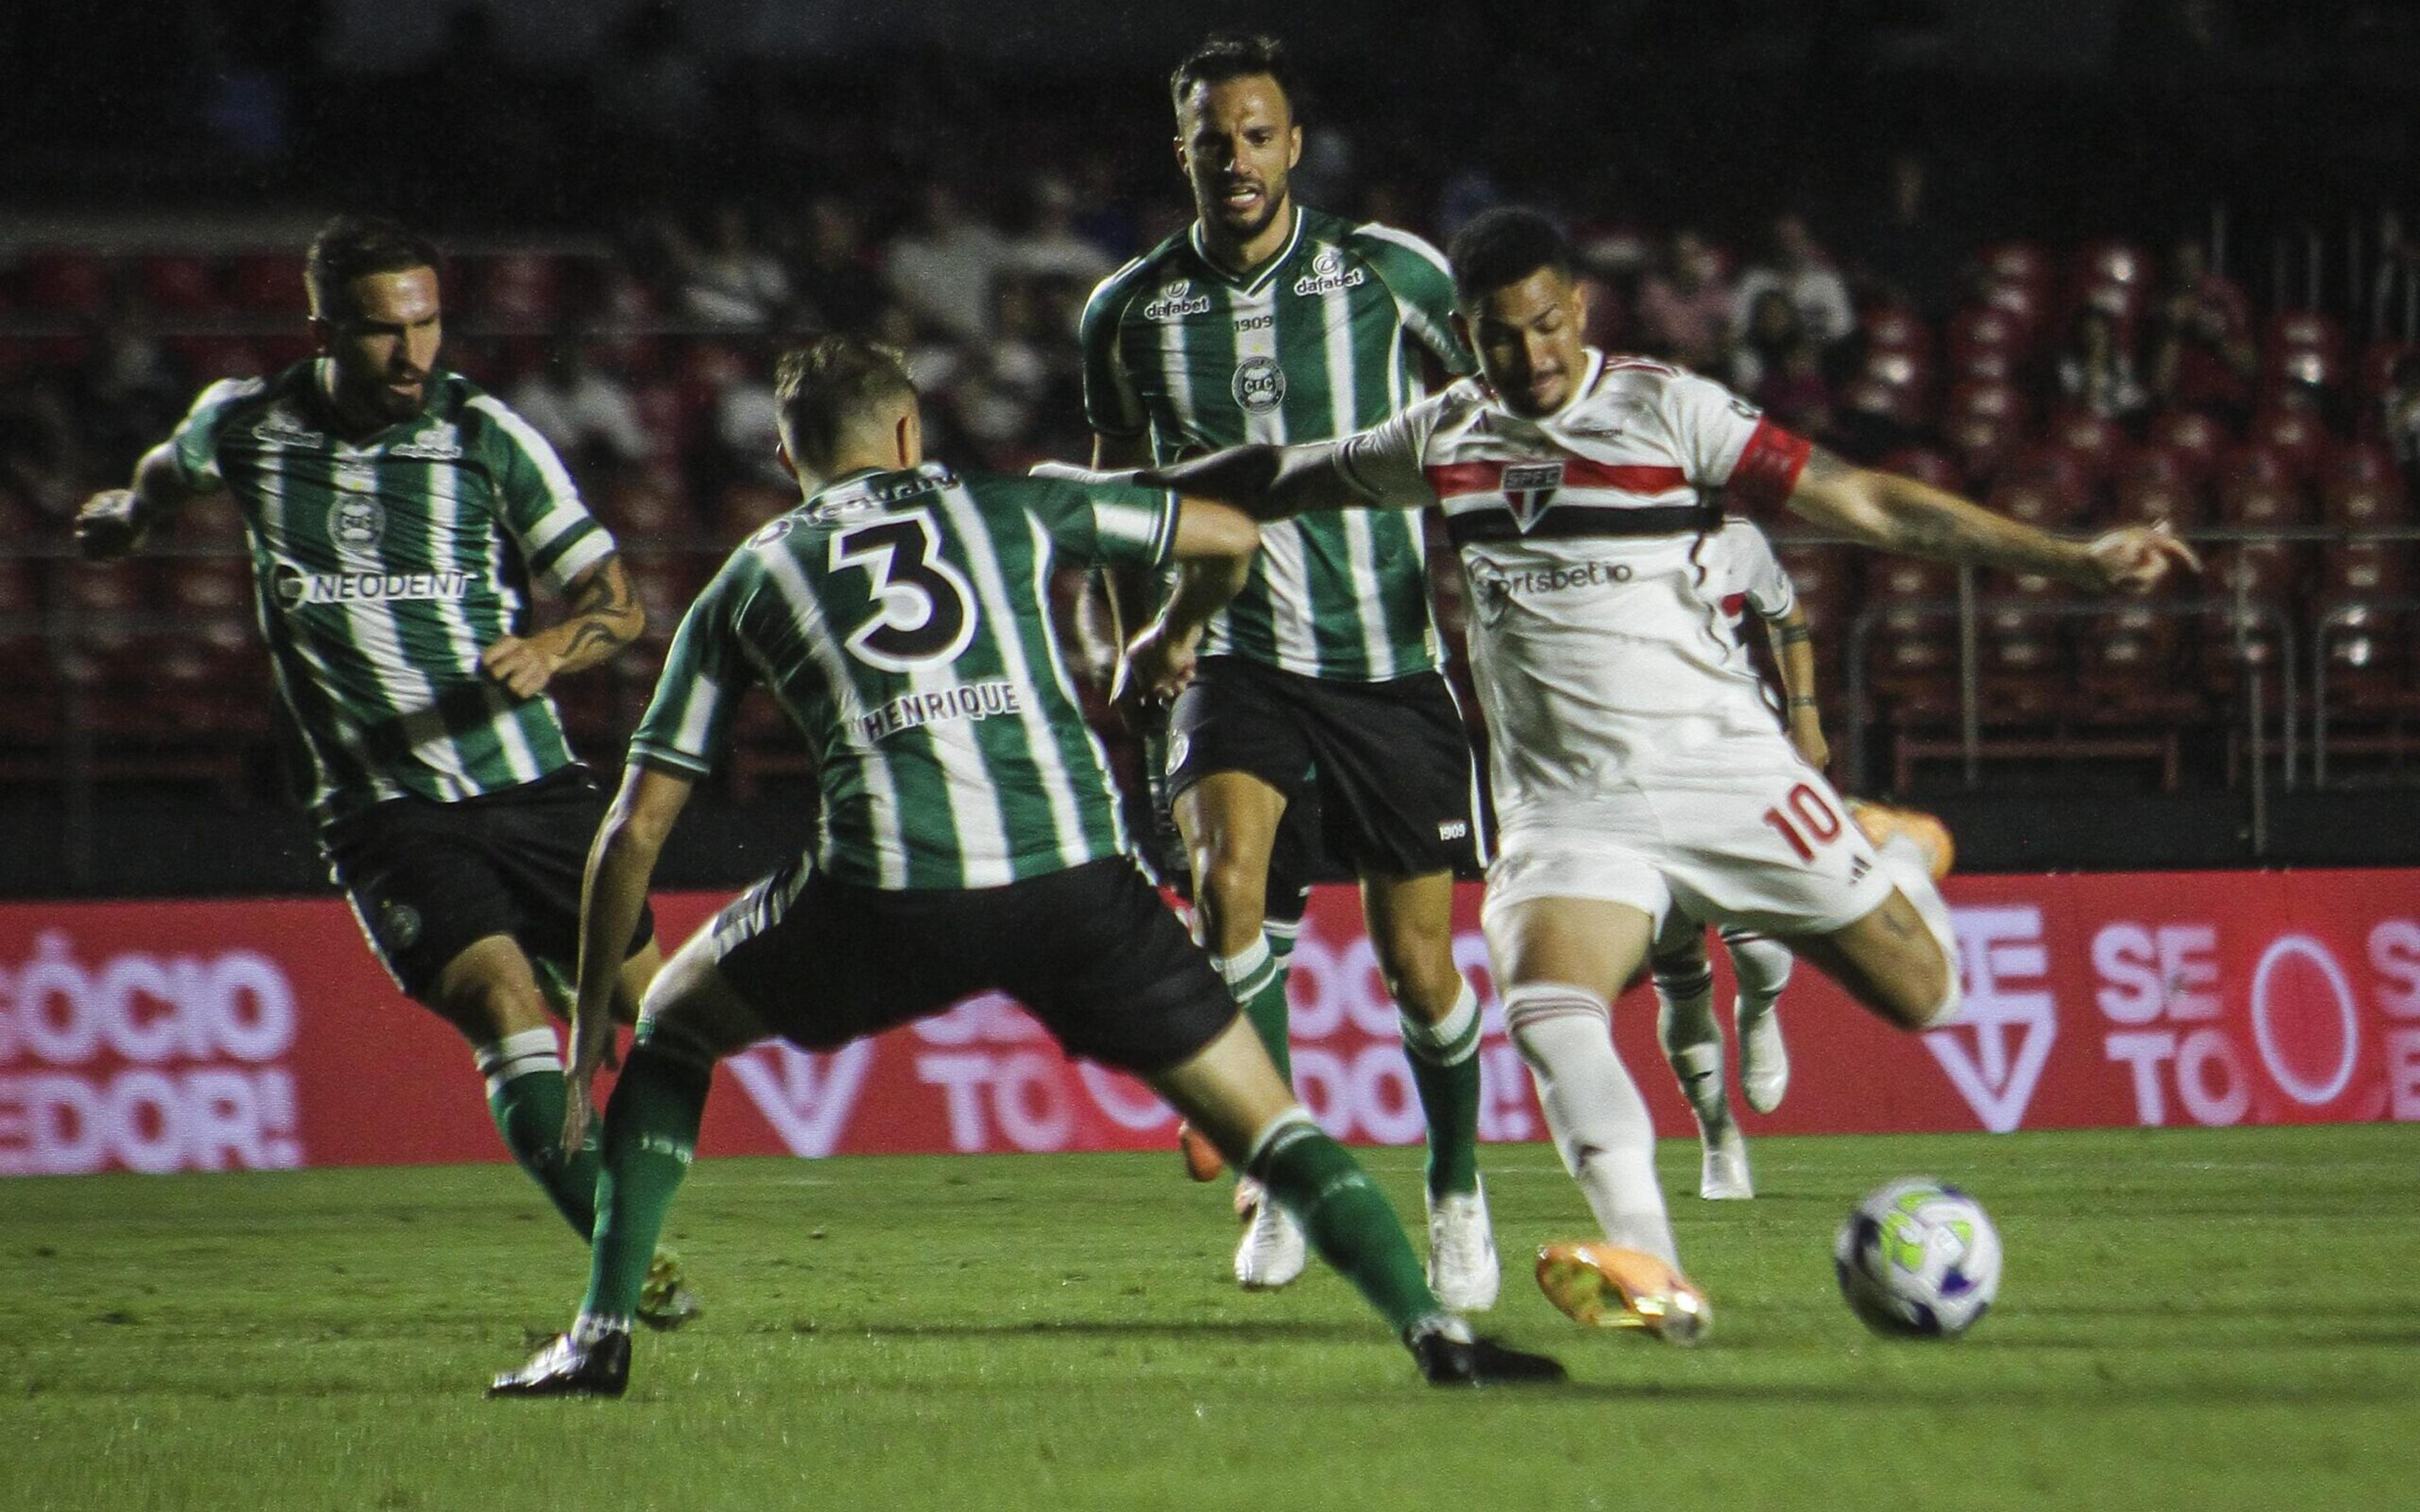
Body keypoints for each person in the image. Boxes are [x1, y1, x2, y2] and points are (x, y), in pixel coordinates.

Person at [1122, 207, 2196, 1339]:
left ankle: (1890, 852)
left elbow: (1870, 501)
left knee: (1931, 1001)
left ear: (1578, 308)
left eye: (1547, 326)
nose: (1530, 357)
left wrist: (2067, 556)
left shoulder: (1670, 410)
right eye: (1500, 337)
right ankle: (1656, 1274)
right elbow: (1281, 473)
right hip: (1569, 811)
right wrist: (1104, 499)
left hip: (1723, 776)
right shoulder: (1445, 436)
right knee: (1547, 1008)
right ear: (1469, 336)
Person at [485, 336, 1562, 1396]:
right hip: (1076, 889)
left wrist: (589, 1038)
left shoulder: (749, 578)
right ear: (908, 431)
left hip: (883, 900)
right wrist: (1171, 634)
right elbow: (1228, 534)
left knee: (673, 1027)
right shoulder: (1011, 505)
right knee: (1271, 1124)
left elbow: (632, 830)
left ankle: (601, 1336)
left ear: (784, 456)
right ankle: (1437, 1336)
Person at [71, 215, 695, 1326]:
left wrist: (553, 647)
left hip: (531, 785)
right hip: (381, 808)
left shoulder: (486, 433)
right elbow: (166, 476)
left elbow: (619, 602)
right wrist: (128, 514)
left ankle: (615, 1153)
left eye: (428, 324)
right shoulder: (248, 425)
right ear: (322, 332)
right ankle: (624, 1258)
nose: (413, 355)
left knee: (669, 1011)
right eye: (381, 333)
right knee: (506, 1004)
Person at [1078, 32, 1500, 1307]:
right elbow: (1113, 494)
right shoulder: (1130, 311)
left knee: (1420, 967)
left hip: (1385, 657)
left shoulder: (1388, 273)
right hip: (1234, 653)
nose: (1237, 159)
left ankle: (1458, 1188)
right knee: (1229, 892)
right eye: (1214, 139)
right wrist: (1131, 636)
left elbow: (1494, 414)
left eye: (1258, 136)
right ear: (1184, 152)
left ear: (1294, 146)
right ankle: (1277, 1178)